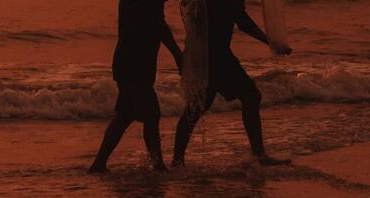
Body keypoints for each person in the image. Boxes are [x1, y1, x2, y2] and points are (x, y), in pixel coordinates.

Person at [173, 0, 292, 167]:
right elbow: (243, 22)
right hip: (217, 55)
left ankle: (177, 161)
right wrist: (272, 43)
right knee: (251, 96)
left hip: (203, 53)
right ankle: (259, 155)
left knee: (197, 107)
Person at [92, 0, 184, 173]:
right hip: (134, 62)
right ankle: (158, 166)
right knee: (152, 114)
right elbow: (158, 25)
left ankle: (99, 164)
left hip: (133, 60)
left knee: (125, 114)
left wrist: (176, 54)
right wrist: (177, 54)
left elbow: (156, 23)